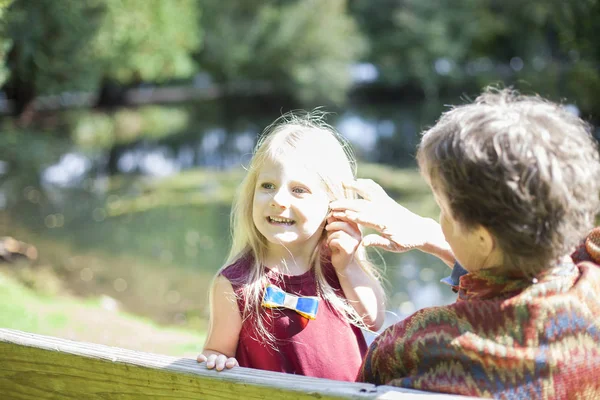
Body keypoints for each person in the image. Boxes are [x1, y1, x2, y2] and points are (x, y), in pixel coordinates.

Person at [329, 87, 600, 398]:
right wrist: (432, 235)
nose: (440, 222)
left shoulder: (410, 346)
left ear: (483, 238)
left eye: (442, 210)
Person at [196, 111, 385, 381]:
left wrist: (349, 267)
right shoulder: (236, 284)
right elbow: (217, 350)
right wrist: (216, 358)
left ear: (333, 202)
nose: (278, 200)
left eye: (298, 190)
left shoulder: (339, 265)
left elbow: (374, 320)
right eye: (268, 186)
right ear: (251, 195)